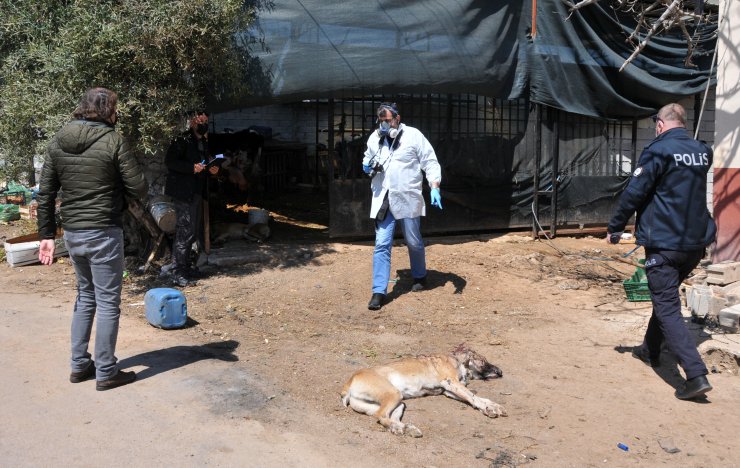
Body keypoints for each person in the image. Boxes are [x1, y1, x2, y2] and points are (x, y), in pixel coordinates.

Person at [37, 87, 148, 391]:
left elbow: (45, 192)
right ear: (110, 111)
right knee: (108, 302)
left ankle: (78, 365)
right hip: (103, 231)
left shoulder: (59, 140)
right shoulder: (114, 140)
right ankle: (106, 371)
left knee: (85, 297)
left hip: (73, 233)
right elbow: (139, 186)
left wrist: (47, 235)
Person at [606, 103, 716, 400]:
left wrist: (615, 226)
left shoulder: (658, 150)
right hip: (694, 245)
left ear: (659, 125)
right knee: (664, 296)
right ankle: (651, 349)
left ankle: (695, 375)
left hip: (665, 244)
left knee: (667, 306)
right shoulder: (702, 151)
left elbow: (635, 192)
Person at [362, 102, 443, 311]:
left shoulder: (413, 135)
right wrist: (366, 165)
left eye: (388, 121)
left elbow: (430, 161)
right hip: (384, 198)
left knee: (413, 240)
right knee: (381, 243)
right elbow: (368, 159)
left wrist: (434, 185)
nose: (384, 125)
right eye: (381, 121)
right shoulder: (375, 138)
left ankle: (419, 275)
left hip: (407, 196)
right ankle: (379, 291)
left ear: (397, 118)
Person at [164, 112, 219, 287]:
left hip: (196, 191)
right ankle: (178, 272)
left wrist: (214, 169)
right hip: (183, 192)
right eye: (199, 120)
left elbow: (208, 161)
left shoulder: (203, 141)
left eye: (205, 119)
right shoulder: (182, 140)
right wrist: (191, 168)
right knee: (184, 232)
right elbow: (170, 162)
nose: (203, 122)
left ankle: (186, 267)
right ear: (191, 121)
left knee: (192, 232)